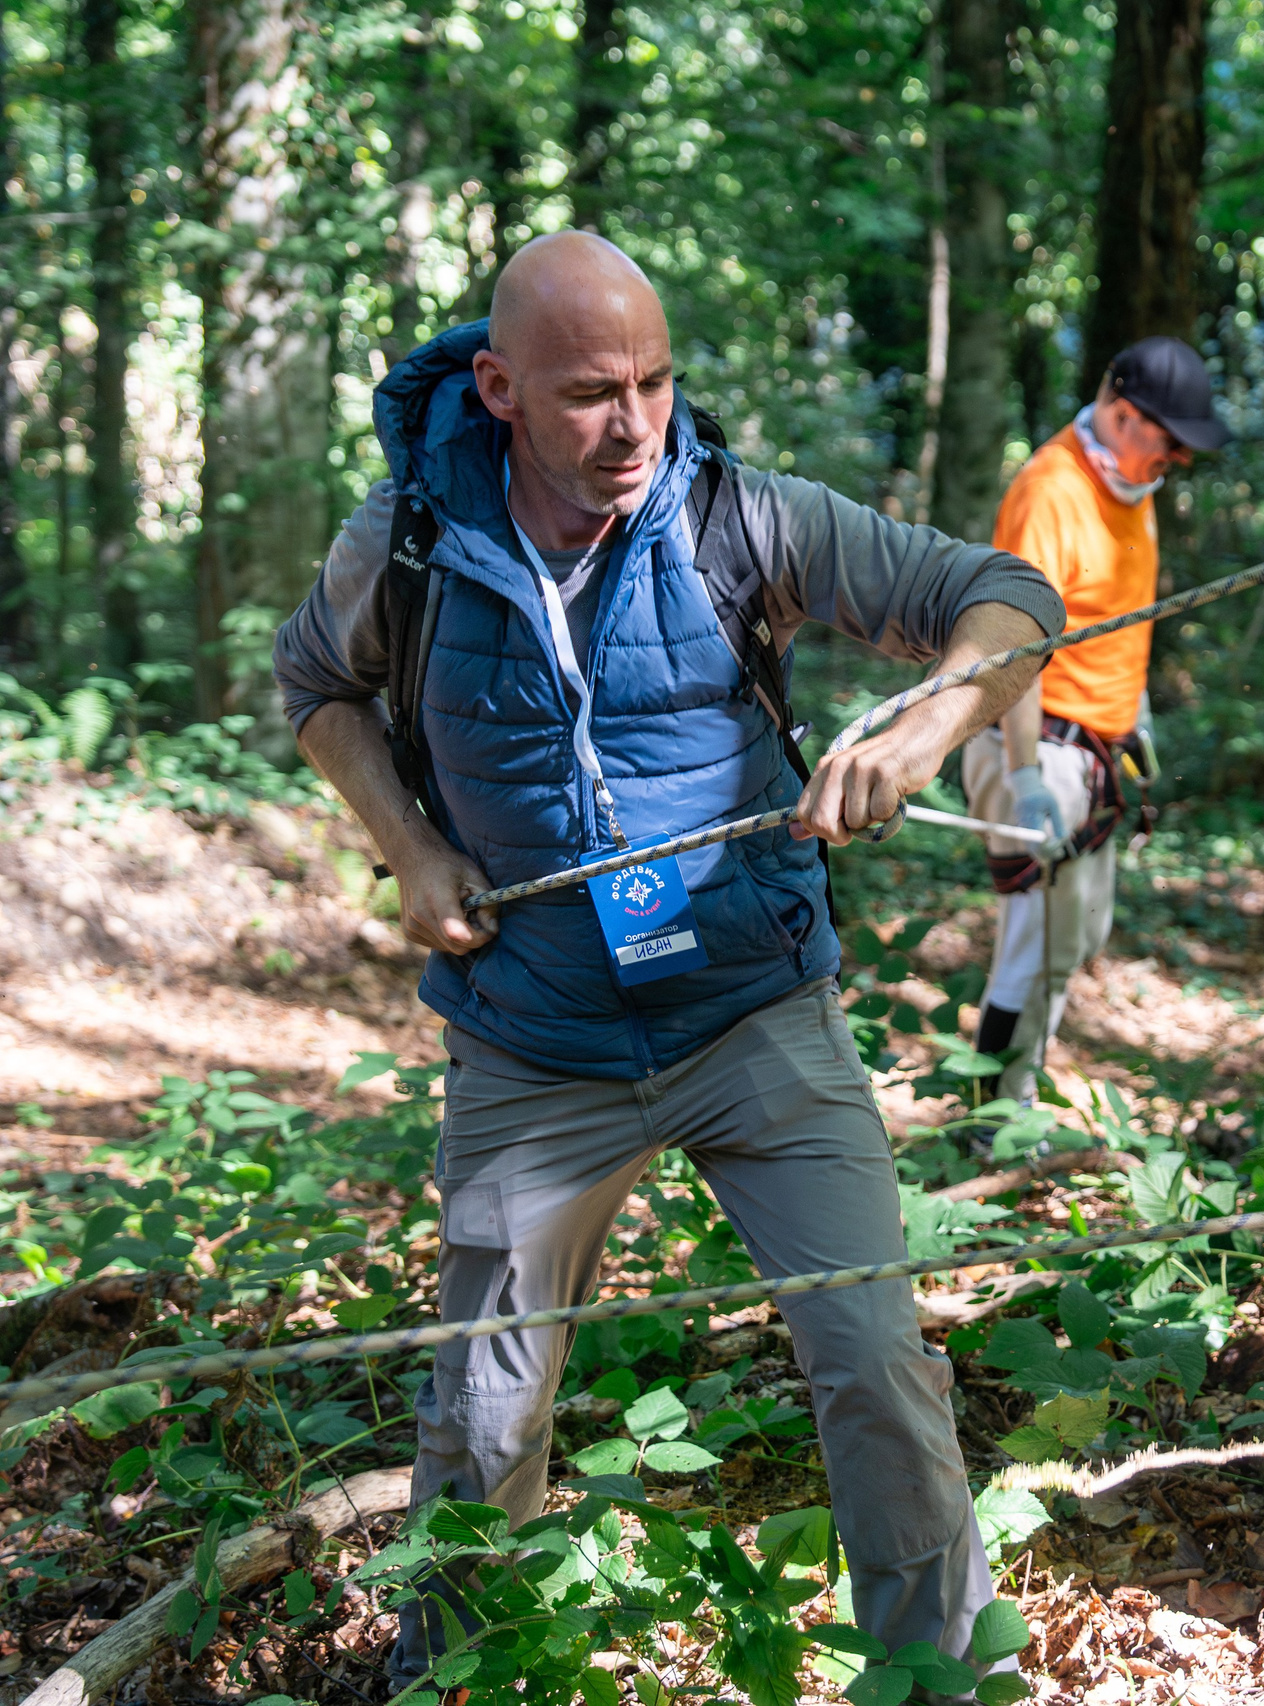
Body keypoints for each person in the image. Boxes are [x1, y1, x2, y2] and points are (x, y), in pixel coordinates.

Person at [271, 232, 1066, 1686]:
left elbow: (1008, 597)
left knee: (878, 1363)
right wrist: (408, 846)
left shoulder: (737, 520)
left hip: (756, 1013)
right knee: (485, 1409)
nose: (634, 422)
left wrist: (922, 723)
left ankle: (939, 1673)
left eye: (655, 380)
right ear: (501, 388)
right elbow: (316, 681)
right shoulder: (407, 544)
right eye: (588, 393)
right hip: (535, 1038)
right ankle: (461, 1673)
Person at [962, 337, 1230, 1101]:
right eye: (1168, 440)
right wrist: (1022, 778)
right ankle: (995, 1118)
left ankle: (1021, 1091)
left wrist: (1133, 717)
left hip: (1097, 750)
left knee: (1076, 939)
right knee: (1032, 945)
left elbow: (1121, 623)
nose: (1175, 458)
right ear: (1121, 416)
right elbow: (1011, 649)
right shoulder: (1052, 491)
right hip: (1035, 745)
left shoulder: (1132, 494)